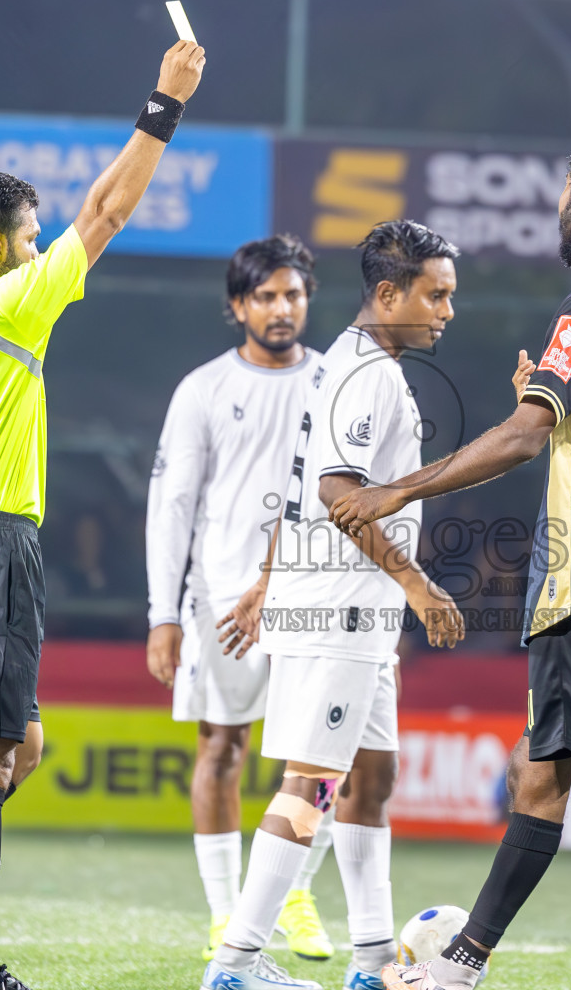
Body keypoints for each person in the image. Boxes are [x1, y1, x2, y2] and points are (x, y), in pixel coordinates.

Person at [331, 123, 571, 990]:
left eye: (565, 193)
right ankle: (461, 964)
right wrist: (547, 412)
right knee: (537, 778)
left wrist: (396, 491)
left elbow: (522, 436)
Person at [0, 39, 206, 990]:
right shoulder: (6, 307)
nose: (39, 246)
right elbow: (107, 211)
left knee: (21, 748)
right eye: (29, 235)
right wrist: (165, 104)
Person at [201, 220, 467, 990]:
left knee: (371, 778)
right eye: (435, 295)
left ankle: (373, 961)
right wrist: (417, 584)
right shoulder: (367, 375)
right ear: (388, 293)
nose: (447, 311)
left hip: (354, 614)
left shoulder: (344, 364)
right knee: (312, 784)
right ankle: (235, 965)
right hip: (340, 611)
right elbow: (336, 494)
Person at [144, 234, 335, 964]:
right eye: (265, 296)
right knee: (221, 748)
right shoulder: (203, 390)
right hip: (220, 602)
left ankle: (295, 892)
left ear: (308, 300)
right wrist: (164, 615)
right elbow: (172, 508)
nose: (281, 308)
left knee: (320, 757)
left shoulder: (335, 382)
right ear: (238, 306)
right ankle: (225, 915)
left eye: (293, 294)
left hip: (312, 596)